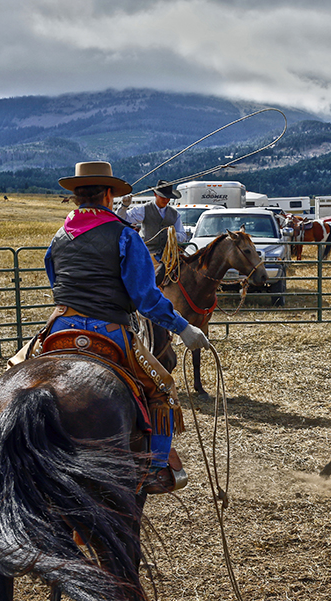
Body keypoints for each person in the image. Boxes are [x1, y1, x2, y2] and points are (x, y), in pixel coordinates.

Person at [45, 161, 210, 493]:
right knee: (162, 389)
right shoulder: (123, 235)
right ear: (108, 194)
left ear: (76, 197)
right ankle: (155, 469)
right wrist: (183, 328)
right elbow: (146, 298)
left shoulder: (59, 237)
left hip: (59, 326)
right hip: (108, 330)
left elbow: (54, 280)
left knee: (19, 369)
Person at [116, 179, 186, 263]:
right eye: (162, 197)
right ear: (155, 195)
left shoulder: (175, 214)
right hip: (147, 254)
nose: (165, 200)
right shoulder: (143, 209)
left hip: (168, 255)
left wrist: (173, 235)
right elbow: (122, 218)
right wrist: (124, 206)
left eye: (168, 198)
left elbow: (183, 236)